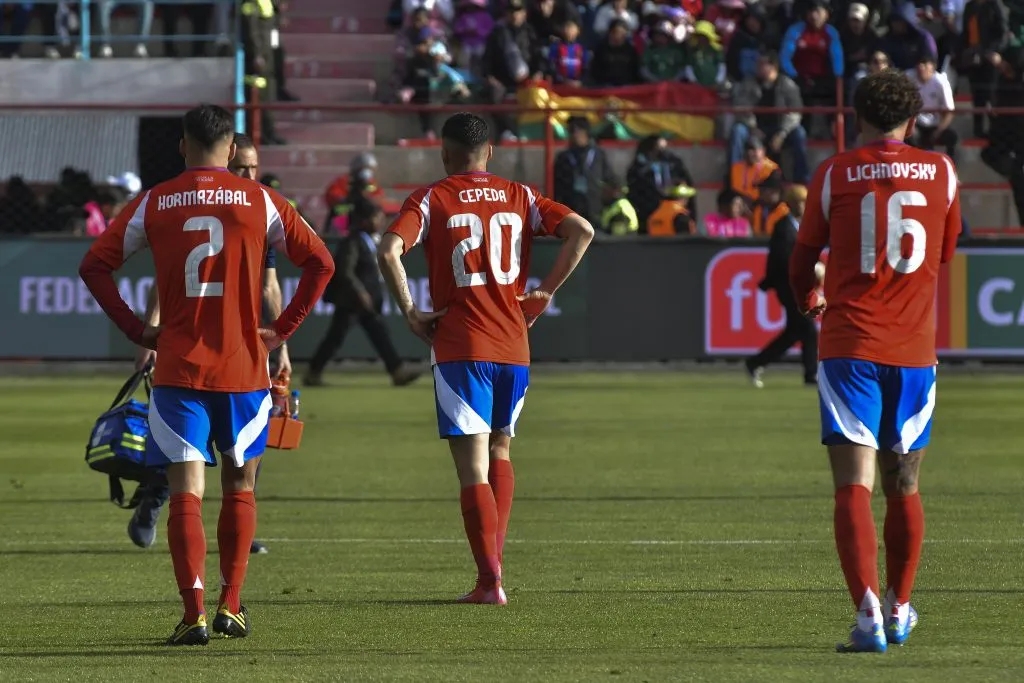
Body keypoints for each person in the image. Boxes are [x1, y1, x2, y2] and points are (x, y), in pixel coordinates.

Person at [79, 104, 334, 645]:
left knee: (185, 491)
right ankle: (231, 605)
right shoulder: (262, 199)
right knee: (240, 483)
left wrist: (134, 329)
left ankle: (193, 612)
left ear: (182, 146)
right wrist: (282, 329)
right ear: (232, 149)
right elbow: (321, 263)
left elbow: (94, 265)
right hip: (244, 369)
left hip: (179, 369)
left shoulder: (156, 201)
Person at [377, 112, 594, 604]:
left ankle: (488, 580)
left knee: (472, 468)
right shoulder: (519, 195)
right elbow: (581, 230)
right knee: (501, 451)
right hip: (513, 345)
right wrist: (542, 292)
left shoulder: (432, 197)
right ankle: (496, 568)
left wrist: (411, 311)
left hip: (461, 346)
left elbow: (389, 250)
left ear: (444, 153)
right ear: (490, 152)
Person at [789, 70, 961, 652]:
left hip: (849, 347)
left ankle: (867, 620)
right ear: (913, 120)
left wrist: (810, 297)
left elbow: (802, 255)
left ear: (855, 117)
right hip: (914, 350)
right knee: (904, 482)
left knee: (852, 485)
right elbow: (946, 250)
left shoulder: (834, 172)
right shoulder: (942, 172)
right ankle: (901, 606)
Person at [128, 133, 292, 557]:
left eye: (253, 169)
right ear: (226, 159)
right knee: (186, 449)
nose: (248, 175)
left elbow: (268, 288)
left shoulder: (253, 211)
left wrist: (281, 345)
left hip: (241, 349)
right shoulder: (191, 206)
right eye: (242, 168)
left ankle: (236, 528)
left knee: (245, 449)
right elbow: (169, 284)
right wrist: (149, 330)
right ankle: (154, 497)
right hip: (191, 344)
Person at [305, 204, 421, 387]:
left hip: (367, 303)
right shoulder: (352, 241)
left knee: (379, 335)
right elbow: (345, 271)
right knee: (336, 337)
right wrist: (360, 292)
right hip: (351, 302)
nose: (381, 221)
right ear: (365, 220)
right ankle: (313, 373)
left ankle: (397, 371)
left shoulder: (371, 240)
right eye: (377, 217)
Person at [745, 184, 816, 387]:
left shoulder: (797, 226)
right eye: (800, 202)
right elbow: (783, 259)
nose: (804, 206)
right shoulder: (784, 227)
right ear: (792, 204)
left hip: (794, 285)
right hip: (787, 286)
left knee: (794, 332)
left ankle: (756, 362)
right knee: (808, 329)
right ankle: (811, 374)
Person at [729, 52, 810, 184]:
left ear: (773, 67)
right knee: (738, 131)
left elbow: (796, 112)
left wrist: (782, 134)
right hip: (755, 129)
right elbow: (740, 107)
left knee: (799, 133)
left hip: (780, 130)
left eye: (762, 64)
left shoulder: (787, 84)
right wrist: (752, 127)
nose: (757, 67)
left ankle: (801, 178)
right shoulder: (748, 83)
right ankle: (735, 178)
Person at [553, 117, 619, 228]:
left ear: (586, 132)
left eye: (577, 130)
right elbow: (557, 184)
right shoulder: (564, 157)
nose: (574, 135)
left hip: (594, 205)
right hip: (571, 206)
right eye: (571, 131)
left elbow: (609, 177)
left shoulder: (598, 154)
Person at [626, 134, 697, 233]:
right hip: (647, 217)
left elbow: (688, 188)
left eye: (664, 149)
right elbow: (634, 194)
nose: (663, 153)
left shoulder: (675, 164)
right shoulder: (638, 170)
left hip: (675, 218)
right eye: (658, 149)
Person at [906, 53, 959, 163]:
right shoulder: (908, 78)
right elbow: (903, 106)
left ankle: (952, 170)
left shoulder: (941, 82)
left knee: (952, 137)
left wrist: (939, 130)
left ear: (933, 66)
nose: (921, 67)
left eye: (925, 64)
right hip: (916, 124)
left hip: (935, 125)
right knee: (909, 137)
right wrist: (911, 125)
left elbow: (949, 111)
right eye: (919, 64)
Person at [590, 18, 641, 87]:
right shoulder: (601, 48)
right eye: (617, 32)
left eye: (623, 33)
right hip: (604, 86)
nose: (620, 35)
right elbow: (594, 71)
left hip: (625, 87)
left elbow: (635, 71)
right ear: (610, 33)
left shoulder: (630, 50)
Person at [729, 137, 779, 205]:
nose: (749, 153)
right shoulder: (735, 168)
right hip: (740, 206)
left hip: (763, 207)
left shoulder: (772, 169)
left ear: (763, 151)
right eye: (747, 149)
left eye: (753, 149)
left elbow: (773, 197)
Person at [751, 170, 789, 235]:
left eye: (764, 190)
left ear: (776, 191)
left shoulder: (785, 212)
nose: (760, 194)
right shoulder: (758, 210)